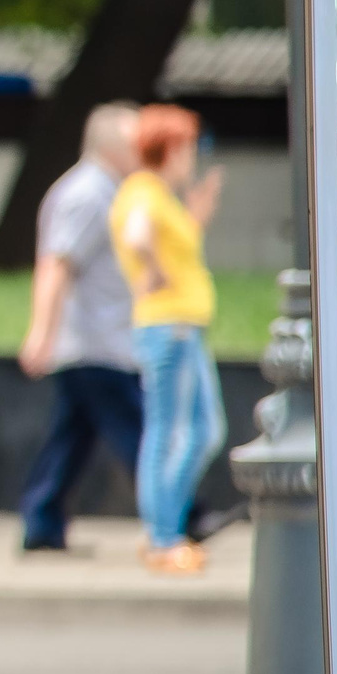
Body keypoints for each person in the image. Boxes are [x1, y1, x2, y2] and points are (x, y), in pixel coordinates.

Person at [14, 102, 145, 554]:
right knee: (137, 433)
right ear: (113, 146)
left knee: (71, 439)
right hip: (94, 344)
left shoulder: (107, 191)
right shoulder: (88, 195)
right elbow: (56, 266)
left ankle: (42, 520)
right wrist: (40, 333)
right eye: (137, 143)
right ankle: (181, 514)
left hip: (101, 341)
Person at [110, 104, 226, 576]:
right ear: (172, 148)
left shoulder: (157, 195)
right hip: (170, 326)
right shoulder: (144, 191)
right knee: (174, 431)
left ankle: (165, 530)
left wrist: (194, 218)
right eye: (187, 148)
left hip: (179, 326)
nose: (191, 157)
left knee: (195, 430)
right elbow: (138, 237)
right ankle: (163, 536)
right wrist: (154, 273)